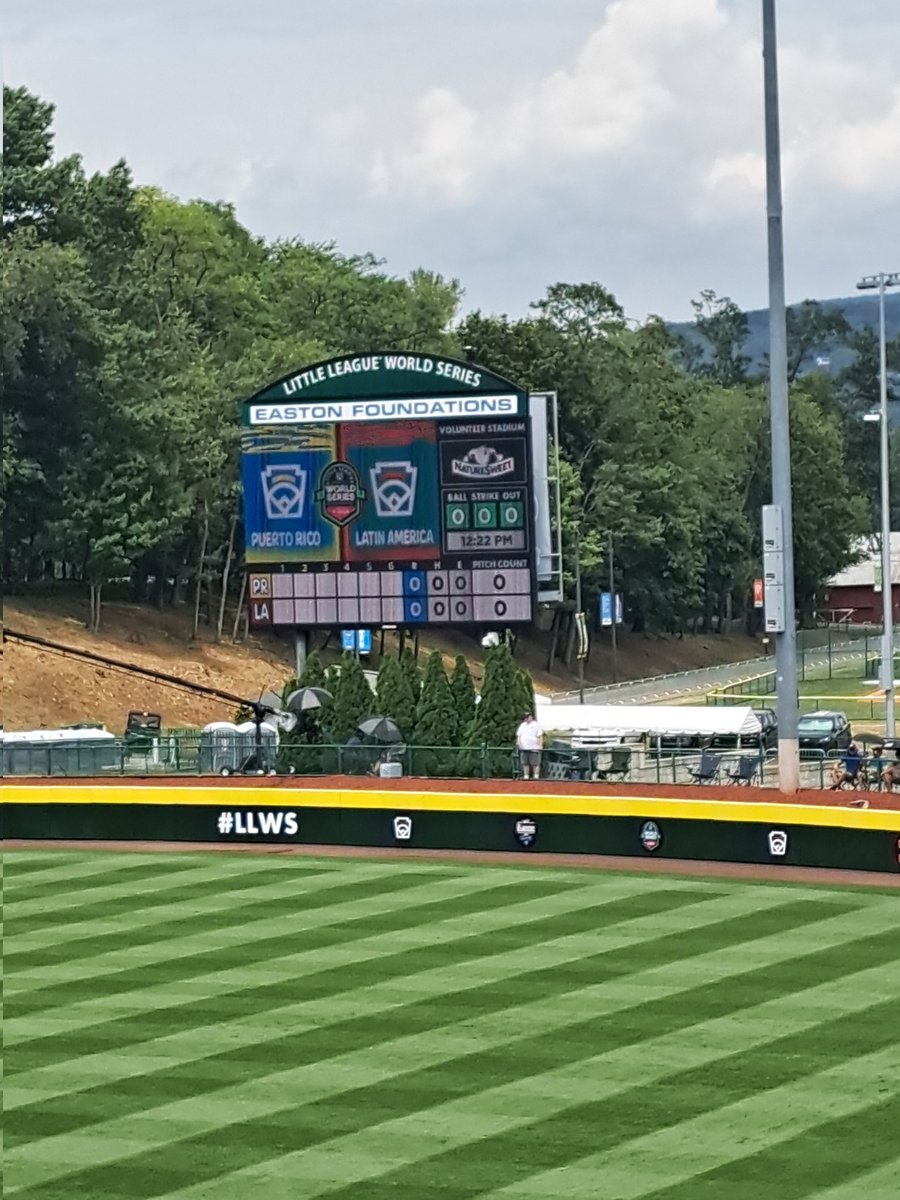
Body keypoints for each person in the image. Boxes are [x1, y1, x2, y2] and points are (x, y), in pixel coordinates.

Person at [516, 712, 544, 780]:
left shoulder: (536, 725)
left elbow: (540, 736)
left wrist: (540, 745)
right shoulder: (522, 725)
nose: (527, 718)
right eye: (526, 717)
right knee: (525, 763)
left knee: (535, 763)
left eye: (528, 717)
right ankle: (526, 776)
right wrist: (519, 743)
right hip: (524, 748)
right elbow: (519, 735)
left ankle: (536, 776)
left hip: (534, 748)